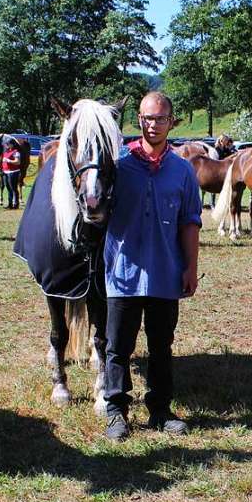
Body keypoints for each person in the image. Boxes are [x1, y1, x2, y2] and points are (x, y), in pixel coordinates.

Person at [102, 91, 202, 441]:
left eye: (160, 118)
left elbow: (190, 221)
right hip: (122, 275)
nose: (153, 124)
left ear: (171, 121)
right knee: (118, 347)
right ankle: (116, 411)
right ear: (138, 121)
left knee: (161, 346)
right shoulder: (118, 166)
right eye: (146, 117)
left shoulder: (183, 171)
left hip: (164, 273)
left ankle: (160, 410)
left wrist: (190, 267)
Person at [0, 138, 23, 209]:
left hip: (13, 172)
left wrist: (8, 160)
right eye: (6, 144)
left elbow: (18, 162)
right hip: (5, 172)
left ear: (12, 145)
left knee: (13, 188)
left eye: (8, 144)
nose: (6, 145)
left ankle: (16, 204)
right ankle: (10, 204)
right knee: (8, 188)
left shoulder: (16, 152)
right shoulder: (6, 152)